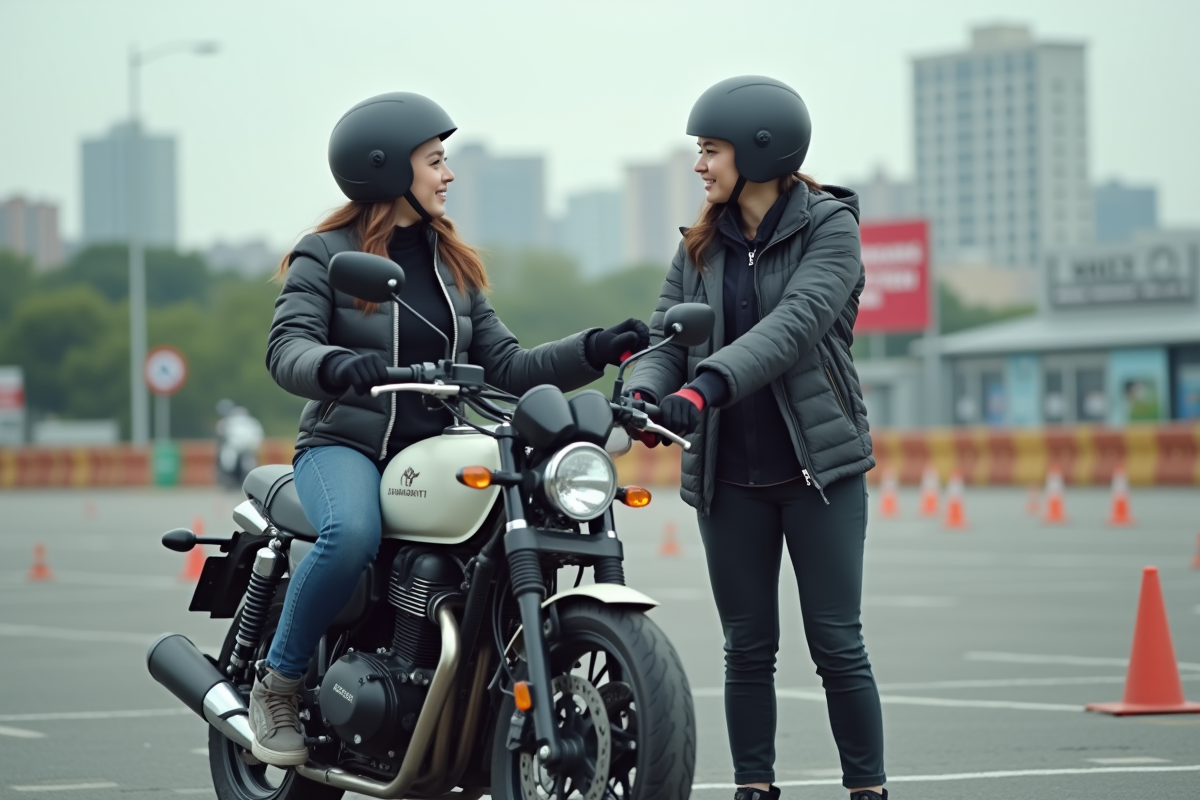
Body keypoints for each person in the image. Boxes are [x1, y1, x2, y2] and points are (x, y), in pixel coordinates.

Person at [253, 91, 649, 767]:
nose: (448, 174)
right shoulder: (327, 255)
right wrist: (339, 365)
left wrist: (595, 347)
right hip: (345, 445)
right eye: (435, 161)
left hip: (432, 449)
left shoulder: (452, 265)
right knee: (351, 535)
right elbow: (286, 350)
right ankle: (279, 683)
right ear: (384, 169)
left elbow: (508, 364)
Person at [625, 76, 886, 800]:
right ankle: (753, 788)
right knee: (747, 649)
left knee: (838, 645)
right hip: (728, 477)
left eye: (710, 150)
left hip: (817, 474)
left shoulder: (831, 228)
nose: (700, 166)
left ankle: (868, 789)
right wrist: (648, 388)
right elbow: (666, 335)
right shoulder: (701, 244)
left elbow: (793, 328)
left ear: (761, 150)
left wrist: (699, 388)